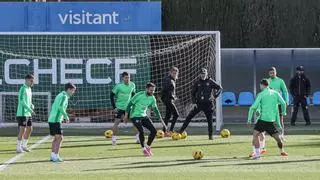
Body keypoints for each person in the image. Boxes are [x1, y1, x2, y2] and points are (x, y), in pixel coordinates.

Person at [247, 79, 288, 159]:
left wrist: (249, 119)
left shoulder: (261, 94)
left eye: (260, 85)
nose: (260, 87)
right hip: (271, 121)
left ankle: (257, 155)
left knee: (255, 135)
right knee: (278, 139)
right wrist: (283, 112)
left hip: (262, 120)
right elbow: (283, 103)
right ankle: (281, 151)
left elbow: (253, 107)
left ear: (262, 85)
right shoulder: (276, 93)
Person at [124, 82, 166, 157]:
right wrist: (126, 116)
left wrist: (162, 121)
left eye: (153, 90)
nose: (152, 92)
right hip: (134, 116)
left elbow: (155, 109)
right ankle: (143, 149)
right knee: (141, 131)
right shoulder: (139, 95)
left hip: (143, 116)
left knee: (154, 131)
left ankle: (148, 146)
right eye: (151, 90)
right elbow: (129, 105)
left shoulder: (152, 98)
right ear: (146, 89)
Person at [178, 68, 222, 140]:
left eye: (204, 73)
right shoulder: (197, 82)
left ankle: (210, 136)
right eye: (201, 74)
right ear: (199, 74)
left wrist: (214, 96)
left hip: (208, 104)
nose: (203, 75)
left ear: (206, 73)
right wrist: (194, 102)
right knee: (189, 117)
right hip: (198, 104)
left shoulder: (210, 81)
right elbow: (192, 93)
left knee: (209, 120)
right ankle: (180, 132)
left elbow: (220, 88)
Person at [48, 83, 76, 162]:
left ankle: (53, 155)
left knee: (56, 138)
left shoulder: (60, 94)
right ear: (69, 89)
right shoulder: (64, 96)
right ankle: (56, 156)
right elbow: (60, 107)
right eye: (73, 90)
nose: (73, 92)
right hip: (56, 120)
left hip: (52, 119)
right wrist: (66, 116)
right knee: (60, 138)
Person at [110, 72, 139, 145]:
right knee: (117, 122)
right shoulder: (118, 86)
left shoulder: (132, 85)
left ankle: (138, 138)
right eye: (126, 77)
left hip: (129, 108)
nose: (128, 79)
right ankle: (114, 140)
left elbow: (133, 95)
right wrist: (114, 107)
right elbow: (111, 95)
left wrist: (134, 104)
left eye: (129, 77)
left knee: (135, 122)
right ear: (122, 78)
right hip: (119, 108)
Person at [16, 73, 35, 153]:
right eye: (31, 81)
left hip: (28, 113)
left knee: (30, 128)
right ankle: (18, 147)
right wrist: (29, 109)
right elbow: (22, 101)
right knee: (22, 130)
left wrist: (31, 105)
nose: (32, 82)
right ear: (27, 80)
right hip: (22, 113)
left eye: (33, 81)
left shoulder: (29, 89)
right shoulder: (23, 88)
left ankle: (24, 145)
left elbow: (28, 101)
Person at [161, 66, 179, 136]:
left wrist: (174, 97)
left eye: (176, 73)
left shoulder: (172, 80)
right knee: (176, 115)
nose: (175, 74)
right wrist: (163, 99)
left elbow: (170, 91)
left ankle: (164, 131)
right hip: (168, 100)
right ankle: (171, 130)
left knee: (167, 116)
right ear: (170, 73)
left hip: (170, 99)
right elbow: (164, 90)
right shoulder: (169, 80)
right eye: (173, 73)